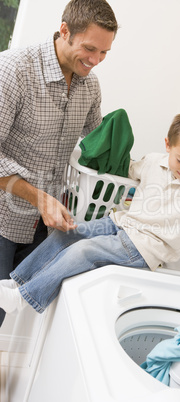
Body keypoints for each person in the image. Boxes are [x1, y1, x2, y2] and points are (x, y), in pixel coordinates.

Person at [0, 112, 180, 315]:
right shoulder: (154, 161)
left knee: (83, 251)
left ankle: (23, 298)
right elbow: (126, 171)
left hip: (145, 247)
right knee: (67, 233)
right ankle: (21, 282)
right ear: (168, 145)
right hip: (119, 223)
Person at [0, 0, 118, 275]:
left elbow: (97, 148)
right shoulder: (13, 70)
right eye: (89, 48)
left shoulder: (89, 86)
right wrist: (40, 199)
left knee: (20, 311)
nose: (95, 60)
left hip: (44, 228)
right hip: (4, 220)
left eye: (104, 52)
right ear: (64, 31)